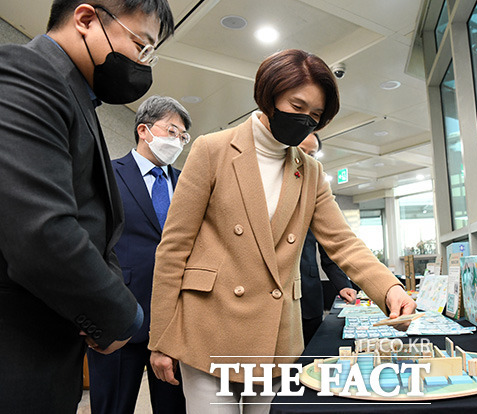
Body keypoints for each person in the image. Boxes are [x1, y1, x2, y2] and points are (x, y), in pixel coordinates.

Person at [148, 49, 416, 413]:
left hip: (275, 334)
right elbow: (174, 248)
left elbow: (343, 242)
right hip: (209, 327)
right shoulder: (212, 150)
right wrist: (160, 338)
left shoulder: (311, 172)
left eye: (316, 116)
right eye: (297, 105)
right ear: (270, 94)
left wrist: (390, 289)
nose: (305, 119)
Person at [0, 1, 173, 412]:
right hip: (18, 347)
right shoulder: (26, 73)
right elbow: (41, 232)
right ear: (86, 19)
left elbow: (98, 227)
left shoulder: (80, 96)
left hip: (53, 345)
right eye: (141, 45)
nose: (143, 63)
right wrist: (121, 317)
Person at [87, 96, 190, 414]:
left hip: (174, 322)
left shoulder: (186, 182)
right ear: (144, 129)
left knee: (173, 406)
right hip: (121, 313)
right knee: (113, 406)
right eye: (171, 131)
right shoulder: (107, 174)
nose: (177, 141)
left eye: (183, 137)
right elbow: (92, 243)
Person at [298, 132, 357, 345]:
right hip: (269, 302)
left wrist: (343, 285)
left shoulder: (316, 193)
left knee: (312, 356)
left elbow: (332, 248)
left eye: (311, 154)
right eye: (300, 150)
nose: (304, 158)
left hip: (309, 294)